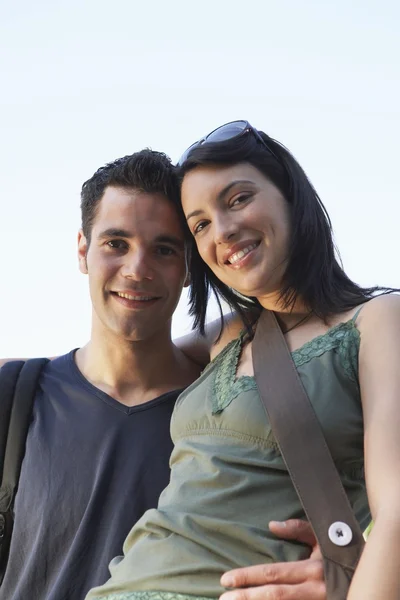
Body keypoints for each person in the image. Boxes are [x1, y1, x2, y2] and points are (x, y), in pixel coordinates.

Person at [86, 121, 400, 600]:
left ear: (290, 195)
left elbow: (396, 512)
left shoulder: (375, 321)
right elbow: (126, 352)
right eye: (201, 225)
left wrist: (351, 582)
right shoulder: (226, 335)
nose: (224, 230)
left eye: (237, 199)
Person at [0, 149, 326, 600]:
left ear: (190, 265)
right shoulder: (14, 397)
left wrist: (350, 568)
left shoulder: (233, 412)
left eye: (164, 249)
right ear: (83, 251)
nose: (137, 270)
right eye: (116, 243)